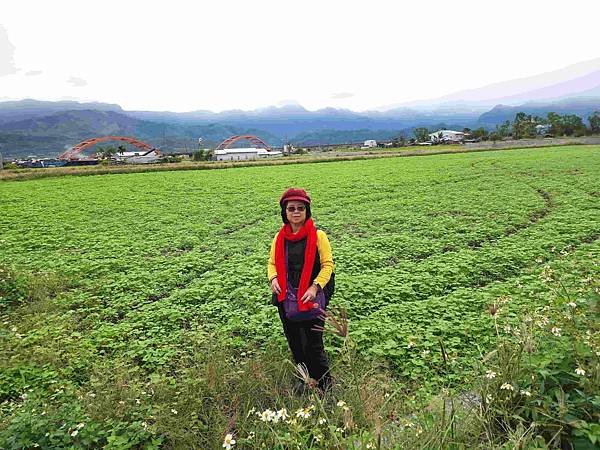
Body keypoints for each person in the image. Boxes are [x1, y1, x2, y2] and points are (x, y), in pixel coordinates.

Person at [267, 188, 335, 392]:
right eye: (291, 208)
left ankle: (325, 385)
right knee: (295, 342)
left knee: (313, 343)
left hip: (311, 294)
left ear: (307, 211)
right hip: (286, 296)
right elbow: (271, 263)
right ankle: (305, 380)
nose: (296, 212)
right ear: (285, 212)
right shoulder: (280, 237)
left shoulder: (318, 235)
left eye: (300, 208)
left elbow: (328, 265)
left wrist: (315, 287)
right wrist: (273, 278)